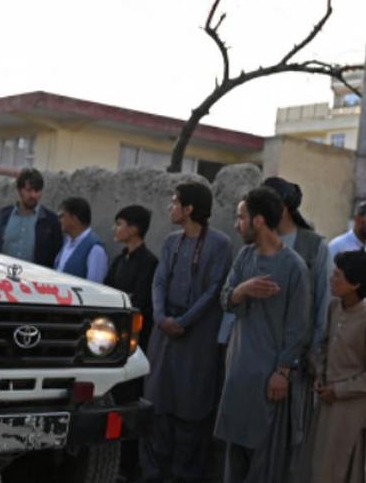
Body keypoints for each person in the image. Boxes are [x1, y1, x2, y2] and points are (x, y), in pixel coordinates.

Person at [216, 186, 311, 483]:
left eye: (241, 217)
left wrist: (282, 371)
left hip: (270, 377)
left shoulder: (294, 266)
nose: (237, 224)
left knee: (265, 459)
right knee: (235, 456)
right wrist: (242, 291)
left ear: (258, 221)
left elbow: (298, 327)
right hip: (239, 371)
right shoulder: (244, 257)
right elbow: (225, 299)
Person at [143, 182, 232, 483]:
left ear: (190, 208)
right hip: (164, 335)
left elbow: (213, 291)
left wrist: (184, 321)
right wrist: (160, 316)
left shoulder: (219, 244)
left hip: (196, 339)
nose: (171, 207)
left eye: (175, 202)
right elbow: (158, 282)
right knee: (158, 407)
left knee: (190, 413)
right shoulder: (171, 242)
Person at [260, 175, 328, 478]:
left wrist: (312, 354)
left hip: (296, 361)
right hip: (259, 353)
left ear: (284, 207)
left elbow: (322, 304)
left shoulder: (313, 246)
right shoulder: (258, 243)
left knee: (292, 436)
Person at [304, 250, 366, 483]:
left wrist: (341, 390)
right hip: (326, 401)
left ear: (355, 284)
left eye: (338, 276)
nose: (332, 280)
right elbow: (324, 346)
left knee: (341, 468)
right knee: (317, 465)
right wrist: (320, 375)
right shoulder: (335, 308)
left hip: (350, 408)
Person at [106, 204, 159, 482]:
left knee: (128, 408)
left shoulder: (149, 263)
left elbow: (139, 305)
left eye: (120, 223)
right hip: (109, 347)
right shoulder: (119, 260)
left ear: (134, 229)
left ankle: (128, 468)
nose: (116, 229)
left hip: (132, 348)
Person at [0, 167, 64, 268]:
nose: (33, 195)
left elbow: (57, 257)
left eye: (37, 191)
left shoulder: (50, 222)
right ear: (19, 190)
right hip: (3, 278)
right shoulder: (3, 217)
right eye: (29, 190)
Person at [54, 197, 107, 282]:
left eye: (62, 216)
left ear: (74, 219)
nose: (59, 220)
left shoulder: (95, 249)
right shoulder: (67, 241)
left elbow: (95, 286)